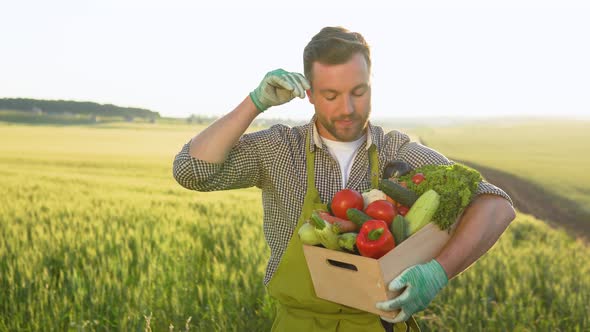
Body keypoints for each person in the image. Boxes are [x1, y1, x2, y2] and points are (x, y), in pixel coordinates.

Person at [173, 26, 515, 332]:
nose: (347, 108)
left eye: (359, 91)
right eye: (331, 95)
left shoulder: (397, 150)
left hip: (377, 324)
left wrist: (437, 273)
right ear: (308, 93)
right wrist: (255, 102)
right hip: (298, 324)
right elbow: (192, 170)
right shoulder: (279, 149)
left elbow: (495, 205)